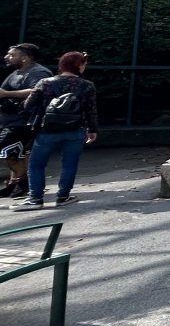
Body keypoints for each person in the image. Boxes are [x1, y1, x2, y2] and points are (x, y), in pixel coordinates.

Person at [13, 51, 98, 211]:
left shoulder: (45, 83)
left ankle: (35, 198)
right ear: (78, 65)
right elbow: (91, 110)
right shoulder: (87, 85)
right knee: (69, 163)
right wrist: (92, 129)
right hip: (75, 129)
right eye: (84, 64)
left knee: (36, 164)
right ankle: (63, 196)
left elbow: (27, 106)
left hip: (47, 130)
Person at [0, 43, 52, 199]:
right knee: (15, 153)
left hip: (24, 120)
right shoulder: (16, 73)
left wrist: (7, 93)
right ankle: (16, 184)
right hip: (9, 120)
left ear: (25, 57)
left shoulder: (39, 72)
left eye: (12, 54)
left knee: (5, 151)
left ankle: (23, 181)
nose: (7, 57)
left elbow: (36, 90)